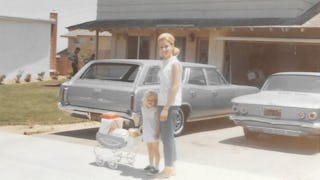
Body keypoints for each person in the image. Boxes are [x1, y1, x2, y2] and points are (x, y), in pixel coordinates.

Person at [156, 32, 182, 179]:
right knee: (166, 137)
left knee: (167, 137)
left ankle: (169, 168)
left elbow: (175, 87)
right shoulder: (164, 62)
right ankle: (171, 165)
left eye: (166, 46)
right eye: (161, 47)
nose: (164, 49)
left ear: (172, 46)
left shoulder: (175, 63)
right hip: (162, 103)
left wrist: (166, 108)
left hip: (170, 105)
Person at [141, 91, 160, 175]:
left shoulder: (155, 110)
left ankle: (156, 167)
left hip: (154, 132)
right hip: (146, 131)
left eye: (154, 100)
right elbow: (144, 120)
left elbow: (159, 123)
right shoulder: (143, 108)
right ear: (145, 100)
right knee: (149, 149)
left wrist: (157, 133)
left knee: (156, 150)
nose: (151, 102)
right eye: (149, 99)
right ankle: (151, 164)